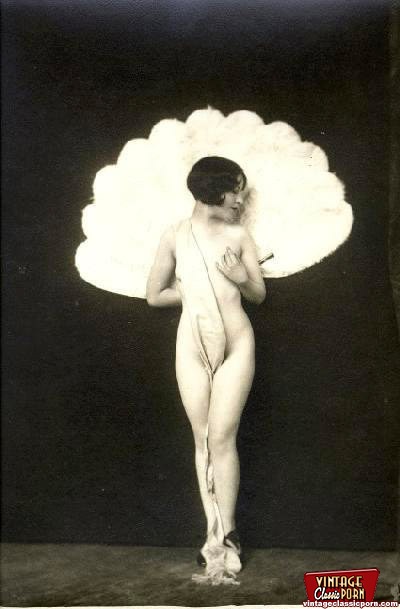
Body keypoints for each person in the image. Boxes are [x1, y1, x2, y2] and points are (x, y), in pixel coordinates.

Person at [146, 156, 266, 584]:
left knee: (221, 436)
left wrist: (239, 276)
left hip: (237, 344)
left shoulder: (239, 235)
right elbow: (153, 295)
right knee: (203, 439)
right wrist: (191, 289)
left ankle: (229, 534)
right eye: (234, 191)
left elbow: (259, 294)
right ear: (212, 191)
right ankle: (212, 535)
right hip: (191, 345)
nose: (239, 201)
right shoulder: (175, 236)